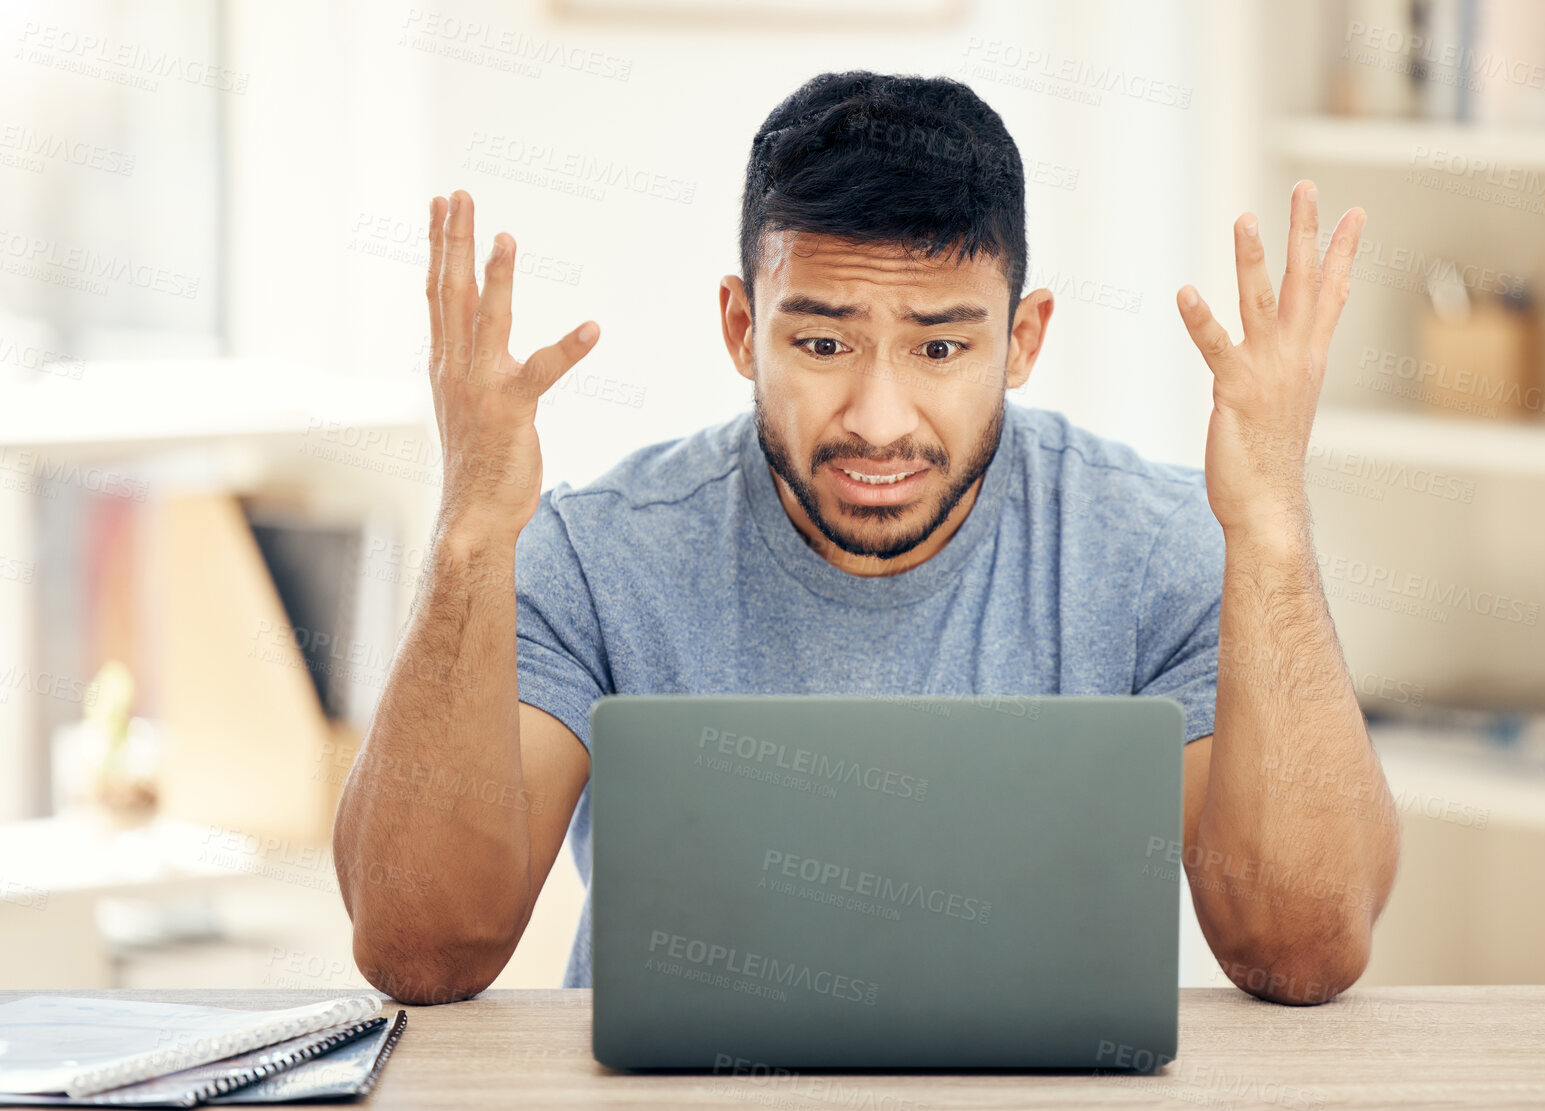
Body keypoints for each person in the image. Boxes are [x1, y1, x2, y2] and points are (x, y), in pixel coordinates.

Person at [332, 70, 1398, 1007]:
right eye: (822, 340)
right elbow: (420, 949)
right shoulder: (599, 552)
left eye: (939, 345)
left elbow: (1300, 951)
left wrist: (1266, 527)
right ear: (741, 329)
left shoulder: (1158, 549)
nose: (878, 418)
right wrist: (472, 530)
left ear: (1021, 341)